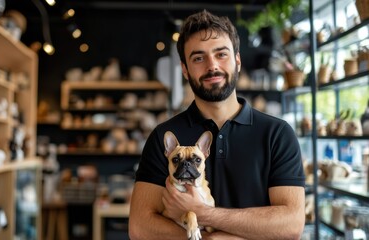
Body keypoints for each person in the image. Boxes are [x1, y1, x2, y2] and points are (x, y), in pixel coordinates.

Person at [128, 9, 306, 240]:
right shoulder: (163, 136)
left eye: (221, 54)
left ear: (237, 60)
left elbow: (291, 225)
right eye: (198, 58)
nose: (212, 66)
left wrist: (205, 215)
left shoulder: (277, 134)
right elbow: (140, 227)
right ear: (185, 69)